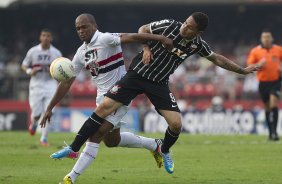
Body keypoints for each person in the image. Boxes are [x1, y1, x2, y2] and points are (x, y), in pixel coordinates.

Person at [42, 12, 261, 176]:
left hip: (159, 83)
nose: (185, 28)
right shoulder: (168, 25)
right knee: (103, 115)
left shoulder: (197, 45)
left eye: (190, 27)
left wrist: (242, 71)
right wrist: (147, 48)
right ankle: (73, 148)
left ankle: (163, 149)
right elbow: (143, 29)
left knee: (176, 124)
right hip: (136, 75)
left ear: (198, 32)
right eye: (185, 23)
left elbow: (217, 58)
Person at [40, 13, 173, 183]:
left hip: (121, 93)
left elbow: (134, 36)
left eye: (84, 27)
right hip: (102, 98)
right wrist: (50, 107)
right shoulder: (81, 53)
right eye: (78, 28)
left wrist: (161, 38)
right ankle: (155, 145)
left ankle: (70, 178)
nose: (81, 31)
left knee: (95, 135)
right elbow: (66, 83)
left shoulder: (106, 39)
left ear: (94, 26)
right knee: (111, 141)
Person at [22, 28, 62, 146]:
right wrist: (30, 71)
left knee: (49, 112)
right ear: (40, 37)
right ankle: (34, 123)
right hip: (36, 84)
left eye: (48, 36)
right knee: (37, 114)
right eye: (43, 35)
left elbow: (61, 69)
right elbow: (24, 65)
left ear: (51, 38)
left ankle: (44, 139)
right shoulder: (33, 51)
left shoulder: (56, 53)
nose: (45, 38)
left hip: (50, 84)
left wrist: (56, 74)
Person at [247, 30, 282, 141]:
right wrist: (258, 65)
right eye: (264, 37)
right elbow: (249, 65)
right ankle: (271, 133)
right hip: (263, 83)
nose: (266, 39)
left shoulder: (278, 50)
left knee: (273, 103)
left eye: (268, 37)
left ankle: (275, 132)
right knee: (267, 107)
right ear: (261, 39)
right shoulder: (255, 51)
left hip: (276, 81)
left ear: (272, 39)